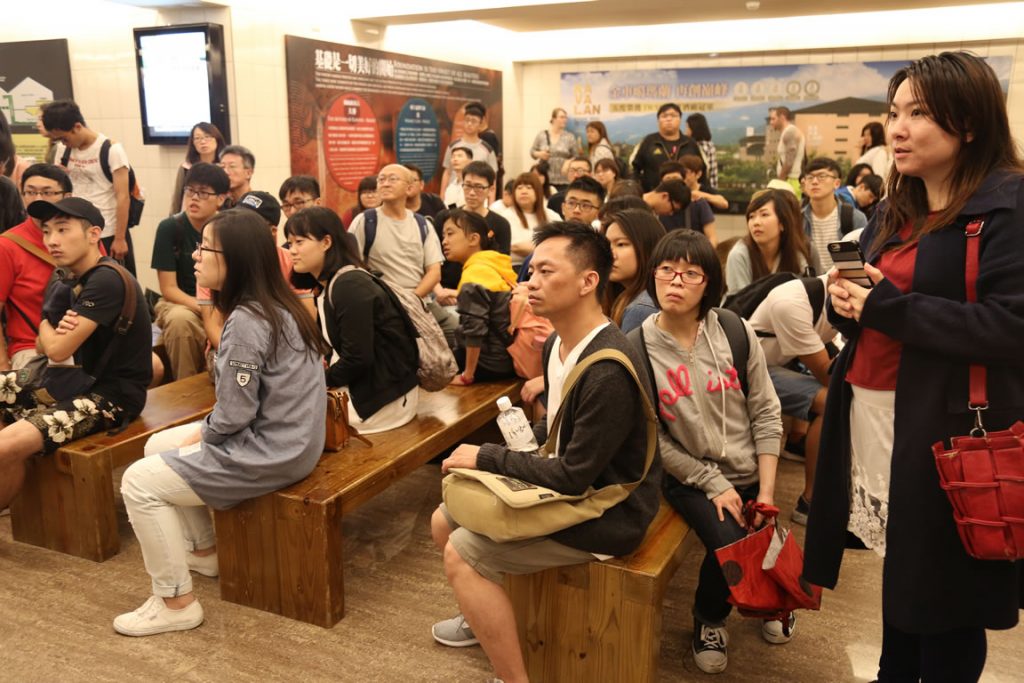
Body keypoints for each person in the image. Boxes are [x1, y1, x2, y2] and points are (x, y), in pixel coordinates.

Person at [806, 51, 1024, 682]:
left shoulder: (1007, 206)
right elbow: (877, 308)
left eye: (919, 114)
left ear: (970, 122)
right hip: (876, 417)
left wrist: (889, 307)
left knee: (948, 598)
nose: (897, 129)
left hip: (948, 428)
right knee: (905, 574)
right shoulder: (897, 206)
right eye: (894, 112)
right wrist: (849, 303)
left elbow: (1011, 327)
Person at [430, 221, 660, 683]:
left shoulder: (607, 369)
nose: (529, 282)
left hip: (610, 509)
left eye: (545, 272)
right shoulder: (557, 342)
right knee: (444, 518)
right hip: (571, 485)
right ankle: (483, 614)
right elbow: (556, 427)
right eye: (530, 270)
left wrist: (488, 458)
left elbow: (575, 475)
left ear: (588, 281)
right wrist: (506, 454)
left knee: (462, 551)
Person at [113, 208, 327, 636]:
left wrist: (206, 434)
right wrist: (208, 431)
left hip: (274, 452)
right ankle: (203, 551)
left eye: (205, 248)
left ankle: (175, 602)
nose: (195, 256)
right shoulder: (279, 306)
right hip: (296, 441)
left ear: (236, 260)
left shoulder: (247, 320)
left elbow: (234, 414)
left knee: (138, 482)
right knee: (156, 446)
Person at [630, 229, 785, 674]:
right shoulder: (637, 348)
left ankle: (775, 598)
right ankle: (710, 618)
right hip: (688, 476)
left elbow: (766, 411)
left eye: (690, 273)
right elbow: (653, 438)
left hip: (749, 466)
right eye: (666, 270)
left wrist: (767, 491)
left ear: (709, 283)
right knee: (731, 539)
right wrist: (712, 481)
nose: (675, 281)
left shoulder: (734, 331)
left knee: (764, 527)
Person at [0, 197, 152, 511]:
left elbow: (56, 349)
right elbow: (42, 346)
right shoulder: (66, 276)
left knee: (3, 447)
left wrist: (45, 323)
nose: (51, 240)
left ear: (94, 234)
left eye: (62, 229)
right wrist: (51, 332)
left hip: (110, 396)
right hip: (67, 381)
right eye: (46, 231)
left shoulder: (106, 279)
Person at [286, 206, 419, 434]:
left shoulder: (349, 286)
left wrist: (314, 383)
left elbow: (358, 358)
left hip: (382, 401)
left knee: (286, 421)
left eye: (299, 242)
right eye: (289, 244)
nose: (292, 251)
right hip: (371, 390)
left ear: (326, 242)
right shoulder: (328, 285)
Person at [747, 273, 834, 524]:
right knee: (832, 400)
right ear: (837, 277)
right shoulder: (792, 302)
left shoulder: (829, 299)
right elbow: (827, 375)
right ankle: (810, 502)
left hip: (777, 365)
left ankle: (797, 443)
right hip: (750, 371)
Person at [348, 165, 453, 345]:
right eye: (381, 179)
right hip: (384, 303)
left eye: (392, 179)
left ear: (409, 187)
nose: (385, 184)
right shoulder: (365, 221)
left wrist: (412, 300)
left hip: (420, 299)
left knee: (453, 330)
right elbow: (351, 266)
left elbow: (434, 272)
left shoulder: (422, 224)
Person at [198, 190, 313, 353]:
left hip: (282, 350)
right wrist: (236, 355)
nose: (241, 227)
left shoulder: (292, 261)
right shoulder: (214, 263)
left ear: (272, 231)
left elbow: (306, 318)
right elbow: (213, 326)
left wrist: (275, 359)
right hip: (229, 347)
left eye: (251, 222)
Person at [151, 162, 229, 380]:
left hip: (222, 301)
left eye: (203, 193)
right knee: (180, 321)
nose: (194, 198)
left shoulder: (229, 228)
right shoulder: (170, 228)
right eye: (190, 190)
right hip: (181, 302)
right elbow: (168, 289)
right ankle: (186, 389)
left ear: (221, 199)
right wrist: (204, 308)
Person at [42, 99, 137, 272]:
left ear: (77, 127)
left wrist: (120, 238)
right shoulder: (63, 150)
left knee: (114, 279)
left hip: (107, 231)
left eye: (64, 138)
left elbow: (123, 197)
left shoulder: (111, 149)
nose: (63, 143)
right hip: (76, 232)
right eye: (58, 139)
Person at [0, 164, 72, 371]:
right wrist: (3, 367)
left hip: (85, 342)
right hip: (31, 348)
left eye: (47, 192)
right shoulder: (8, 245)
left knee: (150, 368)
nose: (37, 198)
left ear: (67, 196)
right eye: (30, 192)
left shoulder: (84, 237)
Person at [441, 209, 517, 385]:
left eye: (450, 234)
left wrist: (467, 375)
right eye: (443, 235)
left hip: (487, 365)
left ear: (474, 239)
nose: (444, 241)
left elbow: (475, 330)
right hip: (507, 358)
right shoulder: (494, 265)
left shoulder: (475, 274)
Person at [436, 161, 513, 304]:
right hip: (444, 291)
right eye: (467, 185)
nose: (471, 193)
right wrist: (439, 291)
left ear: (491, 189)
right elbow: (431, 261)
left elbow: (501, 267)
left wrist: (460, 294)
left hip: (482, 294)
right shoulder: (446, 218)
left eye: (479, 187)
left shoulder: (501, 224)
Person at [725, 189, 811, 294]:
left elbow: (804, 293)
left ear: (782, 223)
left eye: (764, 215)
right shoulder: (739, 255)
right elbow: (740, 300)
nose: (756, 222)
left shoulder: (795, 253)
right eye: (751, 216)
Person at [602, 207, 665, 333]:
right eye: (607, 245)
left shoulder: (641, 309)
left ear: (647, 247)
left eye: (621, 244)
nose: (610, 254)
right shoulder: (626, 298)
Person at [801, 157, 867, 275]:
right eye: (810, 177)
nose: (814, 181)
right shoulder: (797, 219)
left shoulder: (855, 218)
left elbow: (866, 258)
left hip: (843, 282)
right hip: (810, 283)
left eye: (822, 176)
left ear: (836, 183)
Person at [630, 103, 700, 192]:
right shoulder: (649, 141)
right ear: (658, 121)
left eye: (673, 116)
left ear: (680, 119)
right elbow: (635, 169)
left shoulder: (690, 143)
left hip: (687, 195)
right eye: (664, 116)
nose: (669, 119)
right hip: (655, 194)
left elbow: (701, 170)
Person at [440, 102, 498, 204]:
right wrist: (442, 198)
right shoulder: (453, 146)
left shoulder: (487, 149)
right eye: (467, 120)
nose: (469, 124)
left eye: (474, 121)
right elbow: (447, 172)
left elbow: (492, 179)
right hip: (453, 198)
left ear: (481, 124)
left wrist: (491, 204)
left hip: (477, 199)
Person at [506, 172, 560, 268]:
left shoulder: (551, 216)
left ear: (538, 192)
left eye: (529, 187)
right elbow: (515, 247)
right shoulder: (506, 215)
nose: (524, 191)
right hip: (514, 266)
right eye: (519, 188)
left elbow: (560, 245)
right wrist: (547, 250)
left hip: (547, 267)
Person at [170, 123, 225, 214]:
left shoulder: (224, 167)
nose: (203, 142)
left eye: (207, 137)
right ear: (193, 143)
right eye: (197, 138)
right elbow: (177, 199)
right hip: (190, 215)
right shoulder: (186, 168)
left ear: (217, 139)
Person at [530, 108, 578, 191]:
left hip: (564, 180)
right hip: (545, 179)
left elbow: (576, 156)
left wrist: (568, 162)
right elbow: (532, 151)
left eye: (566, 118)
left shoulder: (570, 137)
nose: (565, 120)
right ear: (553, 119)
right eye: (562, 117)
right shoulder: (542, 135)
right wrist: (539, 154)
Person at [769, 106, 805, 198]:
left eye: (773, 119)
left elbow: (790, 160)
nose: (771, 122)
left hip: (790, 181)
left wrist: (780, 181)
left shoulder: (790, 132)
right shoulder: (787, 132)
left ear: (782, 117)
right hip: (789, 180)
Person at [686, 113, 718, 189]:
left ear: (693, 129)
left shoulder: (696, 146)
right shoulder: (710, 145)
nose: (686, 131)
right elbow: (713, 173)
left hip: (698, 188)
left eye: (687, 127)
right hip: (709, 187)